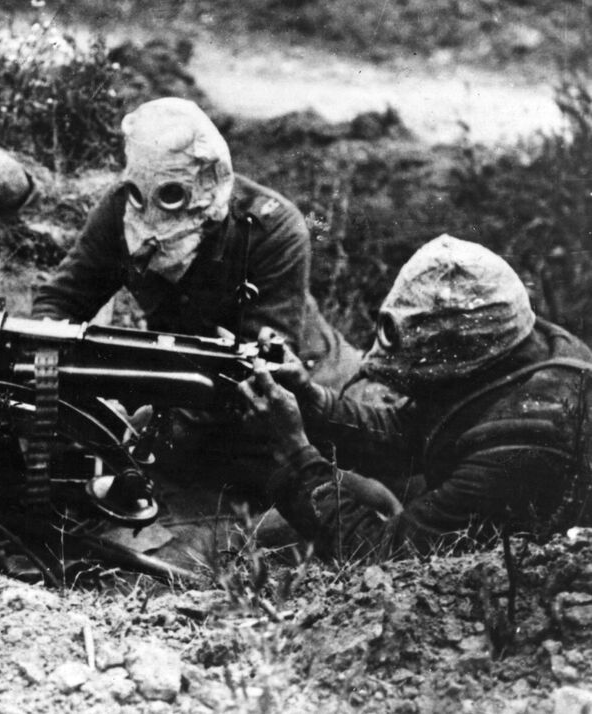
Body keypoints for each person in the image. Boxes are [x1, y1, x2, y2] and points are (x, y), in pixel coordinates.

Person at [31, 97, 366, 504]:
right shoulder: (122, 210)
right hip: (188, 388)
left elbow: (259, 375)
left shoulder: (272, 229)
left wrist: (142, 430)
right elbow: (61, 299)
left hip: (307, 392)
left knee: (307, 499)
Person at [238, 234, 592, 560]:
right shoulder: (513, 347)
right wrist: (314, 403)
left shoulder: (525, 443)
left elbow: (382, 555)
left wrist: (296, 454)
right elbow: (410, 432)